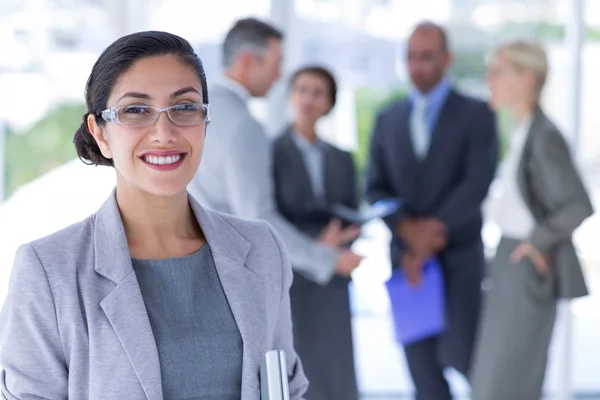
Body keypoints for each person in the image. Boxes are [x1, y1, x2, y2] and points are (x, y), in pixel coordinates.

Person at [0, 31, 308, 399]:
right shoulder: (48, 271)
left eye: (184, 107)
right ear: (100, 133)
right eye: (136, 110)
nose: (164, 133)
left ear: (205, 122)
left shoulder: (261, 249)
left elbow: (286, 387)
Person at [365, 21, 498, 400]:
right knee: (423, 374)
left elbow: (477, 182)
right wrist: (407, 230)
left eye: (426, 57)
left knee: (470, 362)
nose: (416, 66)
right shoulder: (386, 118)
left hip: (459, 258)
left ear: (447, 59)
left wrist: (431, 233)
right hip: (407, 265)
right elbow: (374, 188)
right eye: (410, 57)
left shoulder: (477, 114)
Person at [187, 18, 362, 286]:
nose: (279, 76)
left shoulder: (192, 112)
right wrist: (325, 258)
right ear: (247, 62)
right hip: (232, 274)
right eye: (275, 64)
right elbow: (257, 218)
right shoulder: (244, 126)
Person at [470, 39, 593, 400]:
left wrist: (535, 242)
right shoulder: (524, 132)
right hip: (510, 262)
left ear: (525, 78)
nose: (488, 80)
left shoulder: (544, 137)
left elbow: (578, 204)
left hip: (524, 265)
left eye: (497, 72)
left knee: (508, 382)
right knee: (495, 380)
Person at [272, 66, 359, 400]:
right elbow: (268, 215)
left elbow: (352, 209)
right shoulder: (271, 153)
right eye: (302, 89)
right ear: (291, 96)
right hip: (293, 277)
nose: (308, 98)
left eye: (318, 92)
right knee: (300, 369)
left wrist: (342, 238)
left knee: (337, 367)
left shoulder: (342, 159)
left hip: (333, 277)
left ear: (329, 103)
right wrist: (315, 245)